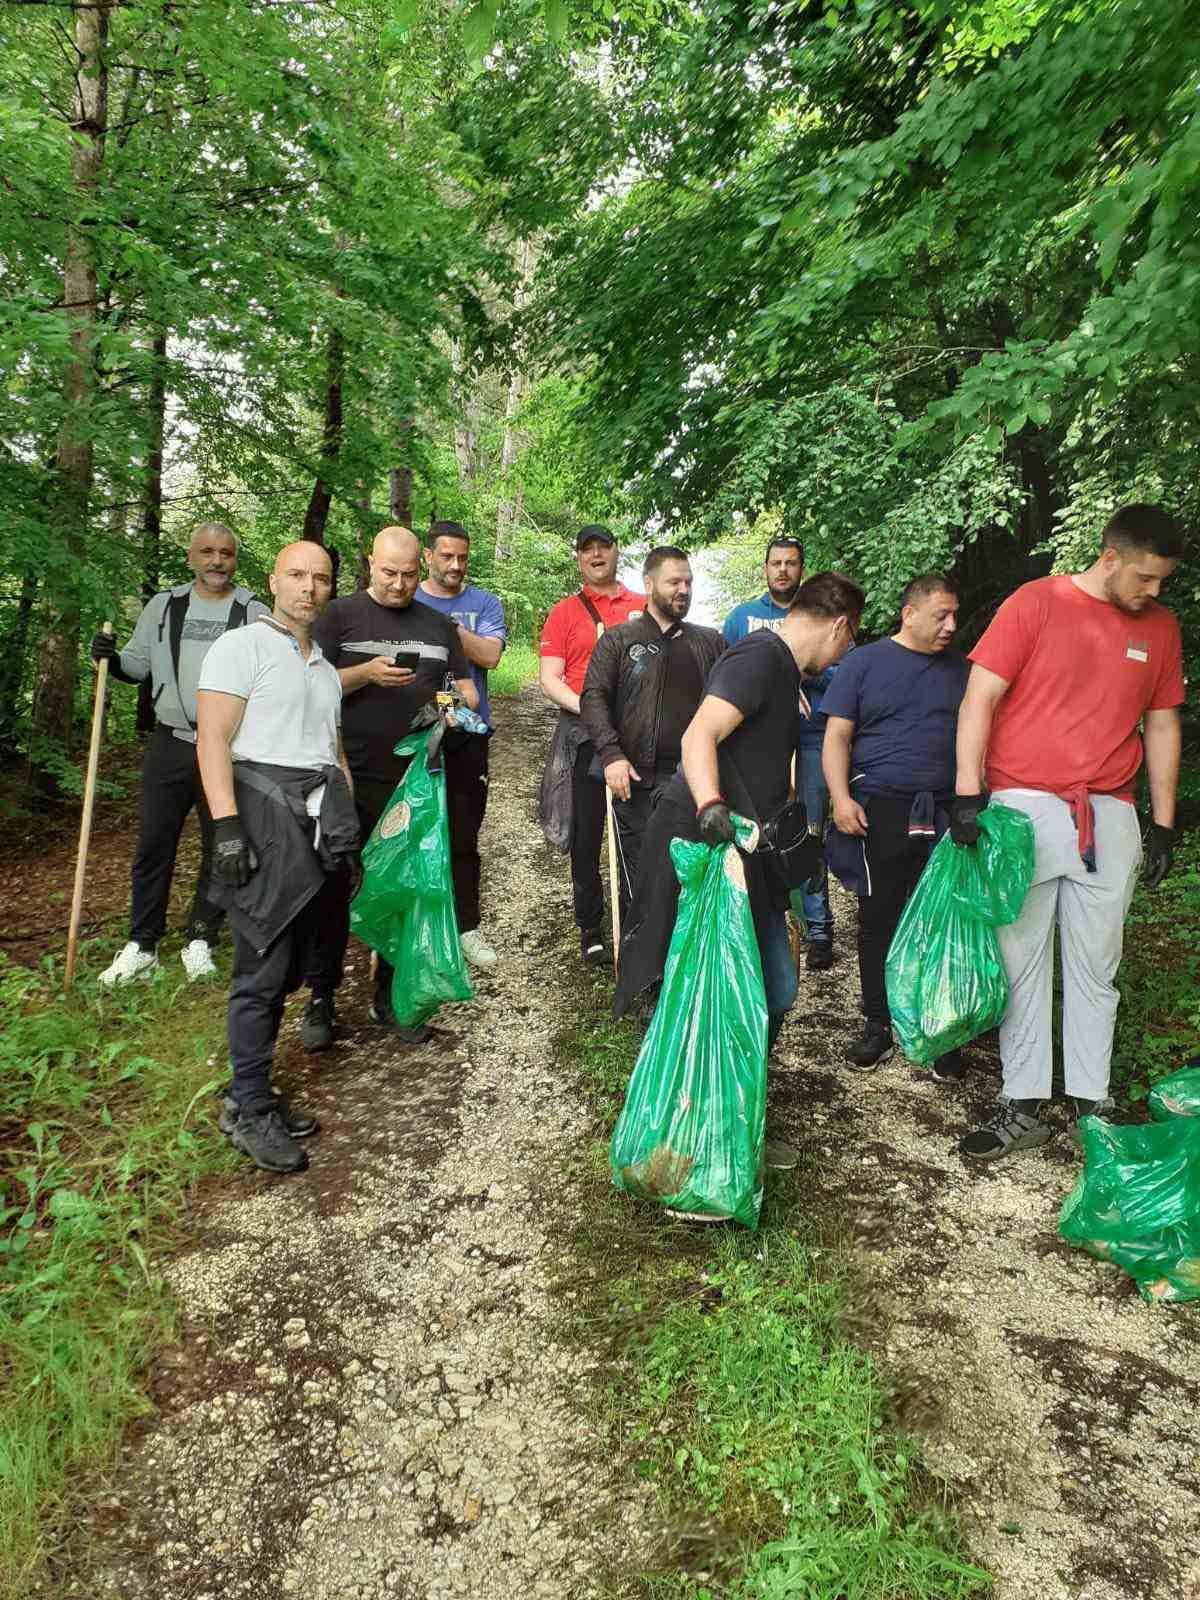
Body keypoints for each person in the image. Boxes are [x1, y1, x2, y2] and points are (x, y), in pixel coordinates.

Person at [951, 505, 1186, 1161]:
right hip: (1023, 805)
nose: (1154, 591)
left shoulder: (1160, 628)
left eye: (1162, 580)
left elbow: (1163, 723)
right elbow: (980, 695)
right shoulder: (1036, 603)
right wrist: (969, 794)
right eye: (1145, 577)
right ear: (1110, 558)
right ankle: (1022, 1104)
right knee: (1021, 963)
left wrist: (1162, 823)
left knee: (1096, 967)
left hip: (1108, 810)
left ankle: (1092, 1103)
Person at [614, 572, 865, 1055]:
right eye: (850, 640)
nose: (843, 654)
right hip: (704, 840)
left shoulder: (782, 670)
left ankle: (734, 1082)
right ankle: (689, 1086)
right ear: (839, 626)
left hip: (750, 844)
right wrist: (711, 806)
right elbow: (698, 735)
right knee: (699, 978)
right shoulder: (760, 656)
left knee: (772, 983)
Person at [196, 541, 357, 1175]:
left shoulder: (321, 665)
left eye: (320, 579)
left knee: (292, 963)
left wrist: (345, 835)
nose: (308, 588)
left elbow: (330, 750)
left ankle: (256, 1094)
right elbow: (213, 738)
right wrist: (227, 826)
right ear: (274, 580)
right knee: (261, 966)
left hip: (316, 825)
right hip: (260, 819)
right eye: (296, 575)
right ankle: (248, 1105)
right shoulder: (242, 647)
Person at [303, 526, 478, 1047]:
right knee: (332, 886)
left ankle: (392, 997)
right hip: (344, 773)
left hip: (416, 780)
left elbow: (465, 689)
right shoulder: (339, 616)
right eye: (389, 573)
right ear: (370, 564)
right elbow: (309, 681)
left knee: (405, 885)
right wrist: (364, 675)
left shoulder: (438, 624)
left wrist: (442, 707)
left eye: (407, 574)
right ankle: (321, 998)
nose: (400, 584)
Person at [89, 522, 267, 986]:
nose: (216, 561)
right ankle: (142, 944)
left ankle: (200, 938)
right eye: (206, 552)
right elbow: (136, 664)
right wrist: (107, 657)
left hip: (228, 748)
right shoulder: (164, 607)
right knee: (154, 844)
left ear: (235, 559)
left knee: (220, 845)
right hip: (170, 743)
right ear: (190, 557)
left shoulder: (253, 612)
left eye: (225, 553)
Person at [822, 574, 968, 1076]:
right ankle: (878, 1024)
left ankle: (939, 1026)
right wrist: (840, 798)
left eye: (955, 615)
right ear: (909, 614)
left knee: (943, 920)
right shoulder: (862, 663)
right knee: (878, 916)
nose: (952, 625)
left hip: (947, 807)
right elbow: (837, 736)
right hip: (879, 805)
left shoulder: (963, 670)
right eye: (941, 615)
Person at [580, 546, 724, 919]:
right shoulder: (618, 640)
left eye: (689, 582)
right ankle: (639, 972)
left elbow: (737, 689)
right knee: (642, 881)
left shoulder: (708, 642)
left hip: (694, 780)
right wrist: (611, 755)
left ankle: (683, 967)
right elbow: (593, 697)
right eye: (674, 581)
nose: (684, 590)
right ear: (649, 584)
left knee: (689, 877)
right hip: (636, 780)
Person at [723, 536, 837, 970]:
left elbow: (840, 673)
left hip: (810, 740)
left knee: (808, 829)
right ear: (765, 568)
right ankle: (763, 917)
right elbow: (727, 673)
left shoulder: (817, 616)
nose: (783, 570)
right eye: (776, 563)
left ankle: (819, 927)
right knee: (760, 828)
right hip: (760, 742)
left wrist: (800, 683)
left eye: (791, 563)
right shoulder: (742, 619)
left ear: (801, 568)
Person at [539, 526, 644, 964]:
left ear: (617, 552)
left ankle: (637, 917)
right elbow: (550, 679)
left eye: (604, 547)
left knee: (635, 830)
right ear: (579, 558)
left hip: (636, 735)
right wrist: (592, 710)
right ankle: (590, 925)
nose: (596, 555)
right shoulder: (563, 613)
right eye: (588, 550)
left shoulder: (642, 606)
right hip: (583, 735)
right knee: (586, 835)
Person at [415, 520, 507, 970]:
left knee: (466, 833)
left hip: (470, 734)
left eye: (462, 557)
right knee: (416, 831)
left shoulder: (484, 602)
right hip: (416, 735)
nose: (455, 565)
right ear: (428, 556)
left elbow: (489, 655)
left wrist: (446, 628)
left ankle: (466, 925)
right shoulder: (408, 597)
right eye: (446, 556)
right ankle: (416, 929)